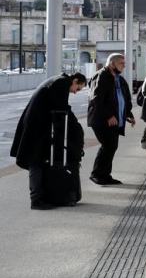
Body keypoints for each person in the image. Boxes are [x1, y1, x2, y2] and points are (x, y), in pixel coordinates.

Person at [10, 72, 87, 210]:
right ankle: (36, 200)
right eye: (78, 88)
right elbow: (61, 108)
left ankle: (40, 197)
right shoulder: (62, 83)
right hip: (36, 127)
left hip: (36, 125)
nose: (76, 92)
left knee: (37, 160)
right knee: (36, 161)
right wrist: (74, 125)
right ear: (74, 81)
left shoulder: (57, 80)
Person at [88, 53, 136, 185]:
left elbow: (124, 99)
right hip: (102, 120)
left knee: (111, 147)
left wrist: (128, 115)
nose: (124, 66)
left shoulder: (119, 79)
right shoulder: (101, 76)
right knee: (108, 146)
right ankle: (97, 174)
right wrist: (108, 115)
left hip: (115, 120)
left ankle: (105, 175)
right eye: (121, 63)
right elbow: (95, 99)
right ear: (112, 64)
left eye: (124, 63)